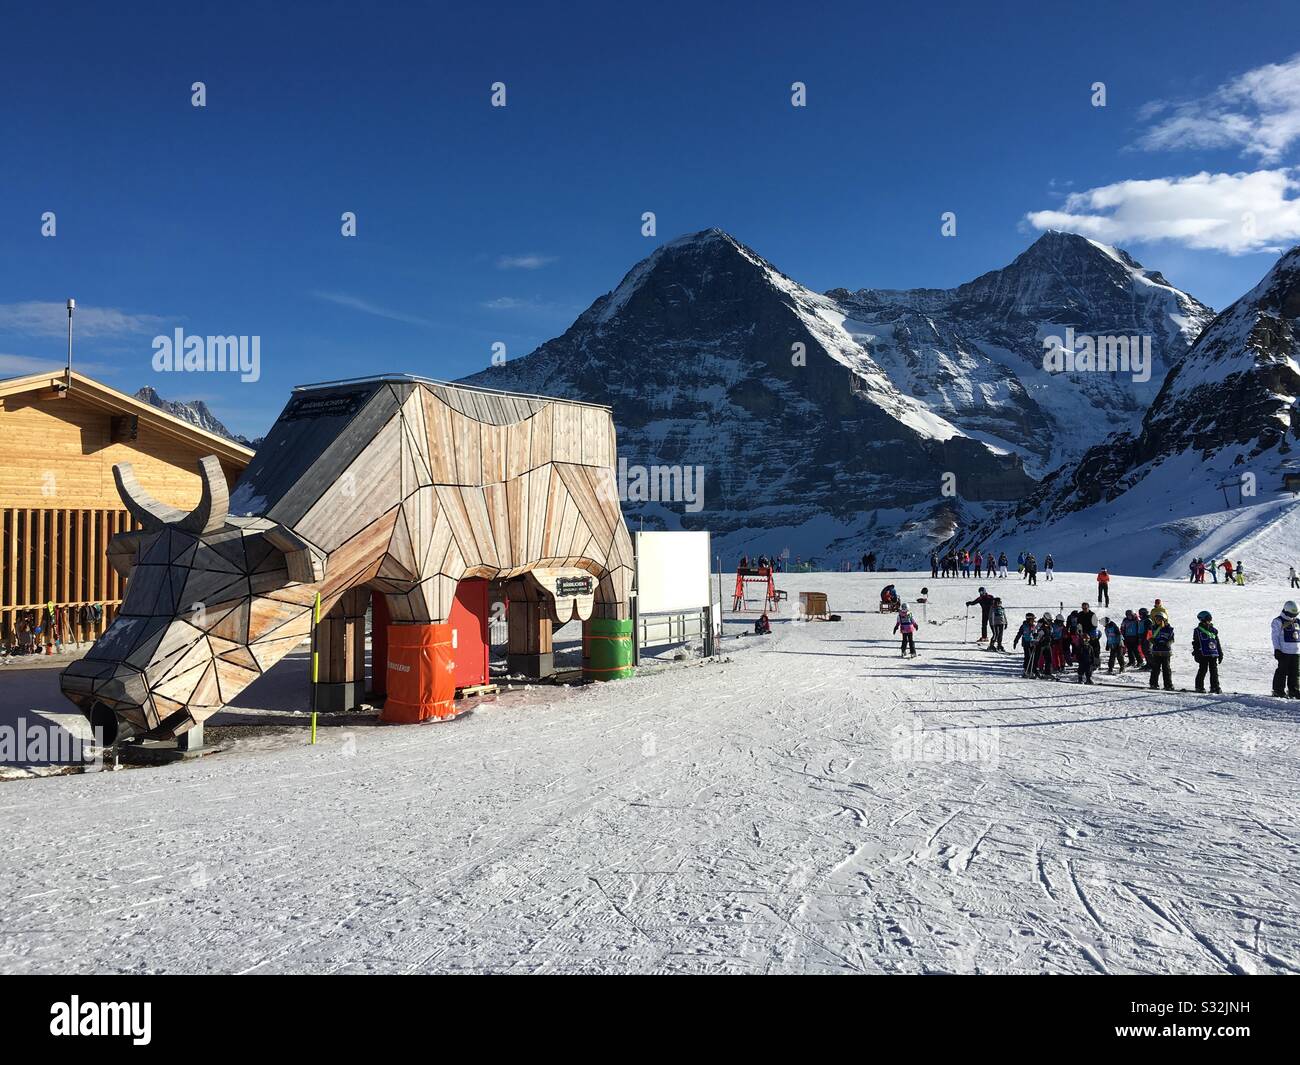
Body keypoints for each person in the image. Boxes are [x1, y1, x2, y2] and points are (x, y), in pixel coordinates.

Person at [1271, 600, 1300, 698]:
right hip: (1284, 652)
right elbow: (1275, 636)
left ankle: (1294, 690)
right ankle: (1278, 690)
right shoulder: (1278, 621)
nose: (1293, 616)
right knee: (1282, 671)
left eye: (1295, 614)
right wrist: (1277, 649)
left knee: (1295, 672)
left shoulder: (1298, 621)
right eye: (1292, 614)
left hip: (1296, 652)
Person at [1190, 610, 1222, 693]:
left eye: (1209, 620)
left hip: (1213, 653)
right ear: (1202, 620)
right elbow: (1196, 643)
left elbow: (1217, 642)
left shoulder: (1214, 630)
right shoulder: (1197, 630)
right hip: (1203, 653)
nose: (1209, 621)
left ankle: (1215, 687)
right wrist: (1196, 653)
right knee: (1203, 669)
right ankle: (1199, 686)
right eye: (1207, 619)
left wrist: (1220, 653)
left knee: (1214, 670)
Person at [1148, 607, 1175, 691]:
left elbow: (1172, 639)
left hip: (1165, 652)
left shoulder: (1169, 629)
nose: (1157, 621)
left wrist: (1167, 643)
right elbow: (1150, 637)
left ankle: (1168, 685)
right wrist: (1153, 641)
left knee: (1166, 669)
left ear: (1164, 619)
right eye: (1156, 619)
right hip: (1156, 651)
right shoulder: (1153, 628)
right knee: (1155, 669)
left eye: (1159, 619)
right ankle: (1153, 684)